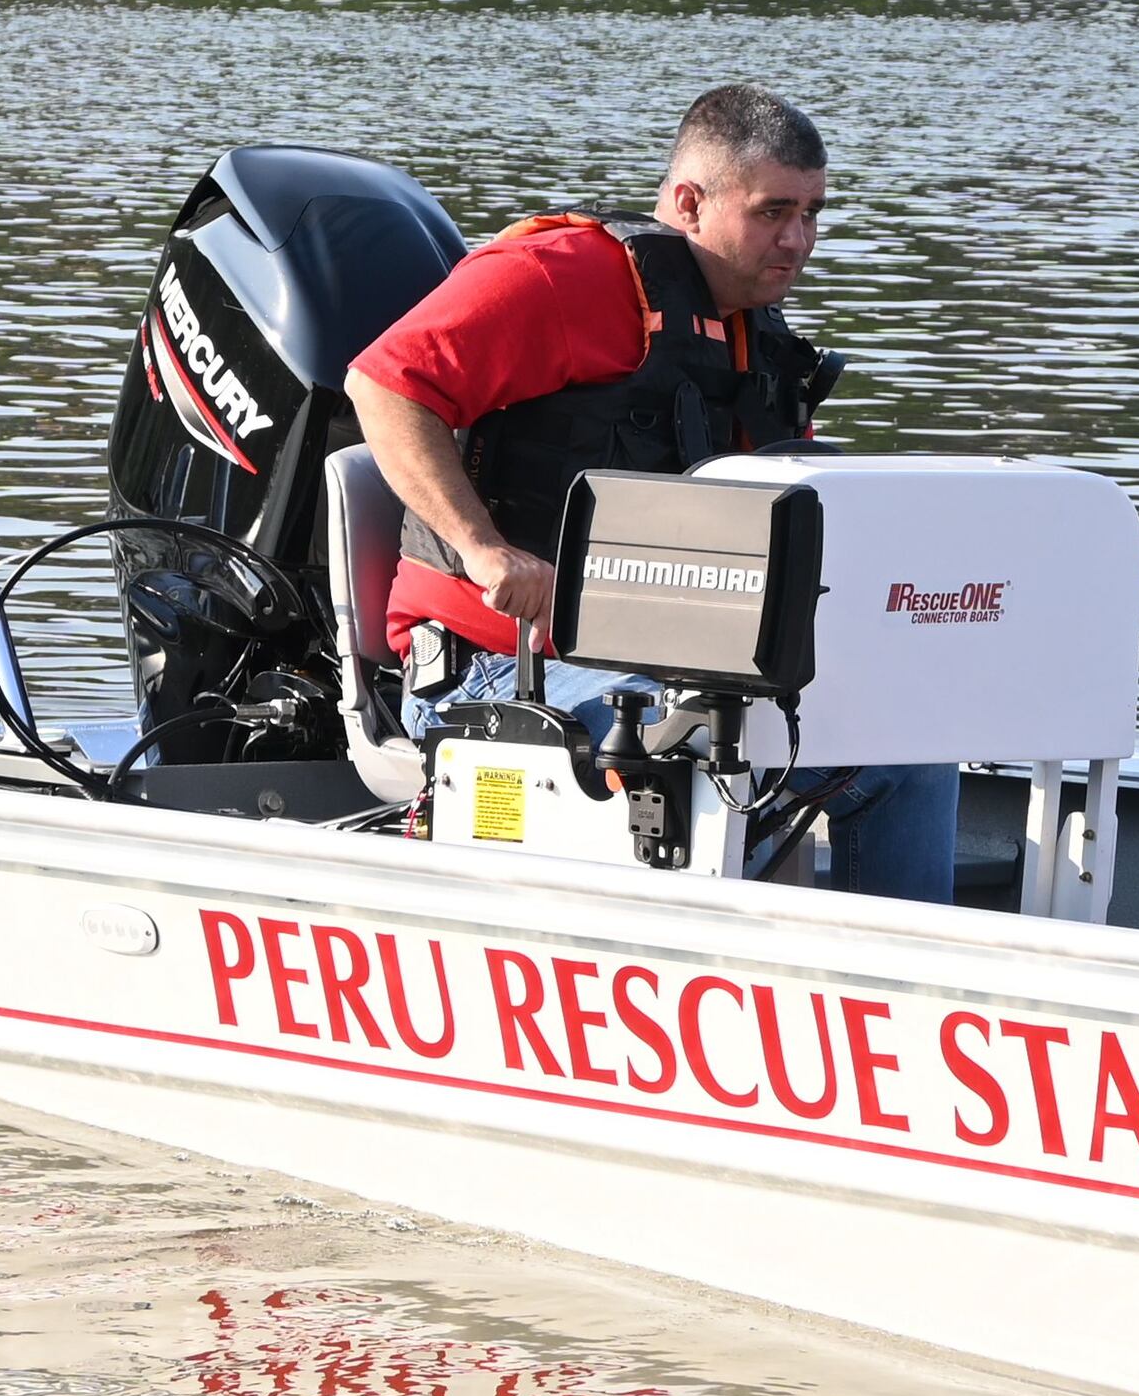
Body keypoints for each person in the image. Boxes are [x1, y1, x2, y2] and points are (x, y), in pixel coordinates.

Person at [342, 85, 960, 902]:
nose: (800, 239)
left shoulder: (751, 331)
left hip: (669, 664)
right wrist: (482, 546)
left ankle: (887, 985)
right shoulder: (560, 276)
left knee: (912, 748)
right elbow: (383, 384)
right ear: (688, 202)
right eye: (774, 210)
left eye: (813, 211)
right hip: (492, 667)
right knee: (707, 738)